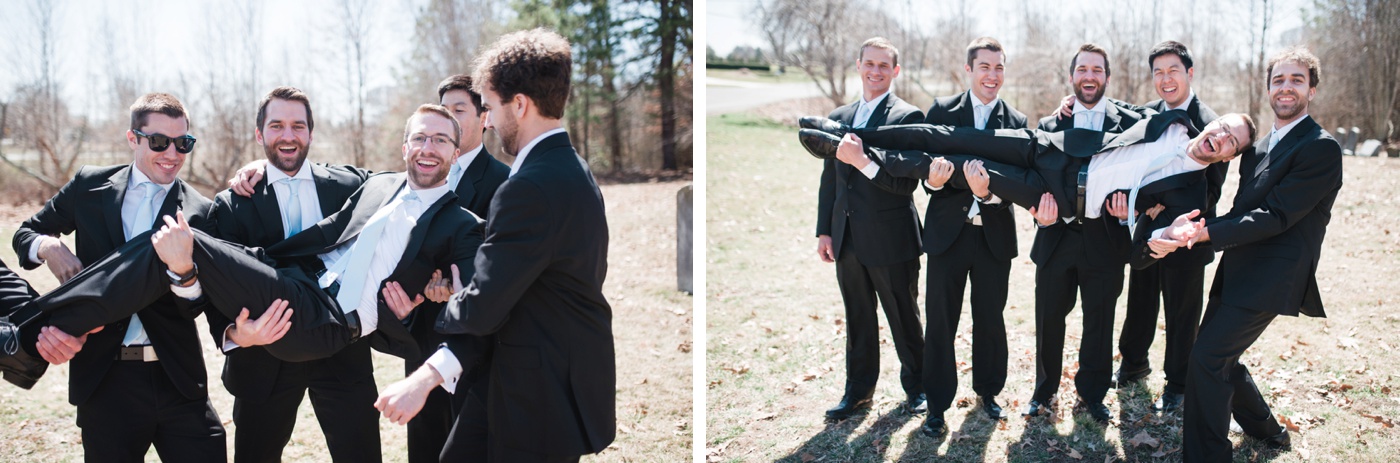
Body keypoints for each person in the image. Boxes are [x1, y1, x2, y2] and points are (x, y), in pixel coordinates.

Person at [799, 101, 1254, 426]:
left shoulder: (1192, 196)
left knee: (965, 169)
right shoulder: (1169, 119)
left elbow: (1144, 250)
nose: (1219, 137)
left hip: (1053, 198)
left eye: (1231, 141)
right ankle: (849, 141)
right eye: (1223, 128)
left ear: (1231, 155)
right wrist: (1068, 107)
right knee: (950, 139)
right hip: (1048, 151)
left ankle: (863, 158)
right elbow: (1107, 108)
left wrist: (1161, 238)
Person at [384, 28, 615, 462]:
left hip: (538, 392)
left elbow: (486, 302)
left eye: (488, 107)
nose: (486, 119)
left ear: (521, 104)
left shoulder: (527, 187)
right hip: (520, 372)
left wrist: (439, 301)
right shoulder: (573, 169)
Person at [4, 92, 229, 461]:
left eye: (183, 143)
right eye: (159, 142)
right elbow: (25, 234)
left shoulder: (202, 212)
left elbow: (202, 303)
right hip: (104, 380)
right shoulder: (88, 187)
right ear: (132, 139)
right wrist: (48, 247)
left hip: (179, 378)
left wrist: (185, 274)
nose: (173, 154)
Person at [1151, 48, 1341, 462]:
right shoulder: (1257, 148)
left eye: (1296, 80)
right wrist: (1188, 222)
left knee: (1205, 359)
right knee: (1219, 357)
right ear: (1268, 87)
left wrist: (1203, 236)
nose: (1286, 87)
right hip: (1237, 269)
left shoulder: (1321, 149)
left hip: (1273, 276)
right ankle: (1269, 432)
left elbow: (1275, 216)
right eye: (1278, 80)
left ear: (1312, 89)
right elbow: (1240, 211)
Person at [208, 86, 381, 463]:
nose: (288, 136)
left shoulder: (350, 187)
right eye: (277, 126)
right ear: (259, 135)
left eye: (298, 126)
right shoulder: (231, 205)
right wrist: (237, 333)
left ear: (311, 133)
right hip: (264, 357)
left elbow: (396, 188)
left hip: (341, 349)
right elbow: (220, 285)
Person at [902, 37, 1024, 437]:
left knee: (990, 319)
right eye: (985, 67)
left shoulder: (1017, 123)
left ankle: (988, 393)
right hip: (947, 237)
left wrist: (987, 193)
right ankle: (936, 405)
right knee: (941, 322)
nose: (992, 75)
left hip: (993, 237)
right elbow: (927, 173)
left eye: (999, 67)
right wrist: (934, 185)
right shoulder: (941, 111)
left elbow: (1018, 184)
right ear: (969, 70)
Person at [813, 36, 928, 421]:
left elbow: (906, 184)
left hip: (891, 238)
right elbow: (830, 180)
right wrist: (824, 231)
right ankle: (858, 393)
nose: (875, 71)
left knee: (904, 317)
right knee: (858, 319)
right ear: (858, 65)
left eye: (884, 65)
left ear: (895, 71)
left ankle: (919, 388)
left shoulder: (908, 117)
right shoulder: (840, 116)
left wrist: (863, 161)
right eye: (869, 63)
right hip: (846, 240)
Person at [1111, 40, 1224, 411]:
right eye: (1158, 72)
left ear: (1189, 73)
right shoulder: (1147, 116)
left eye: (1173, 70)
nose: (1166, 79)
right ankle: (1133, 363)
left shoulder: (1211, 124)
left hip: (1190, 235)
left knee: (1182, 311)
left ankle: (1178, 382)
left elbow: (1211, 190)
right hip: (1147, 229)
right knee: (1140, 300)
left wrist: (1170, 213)